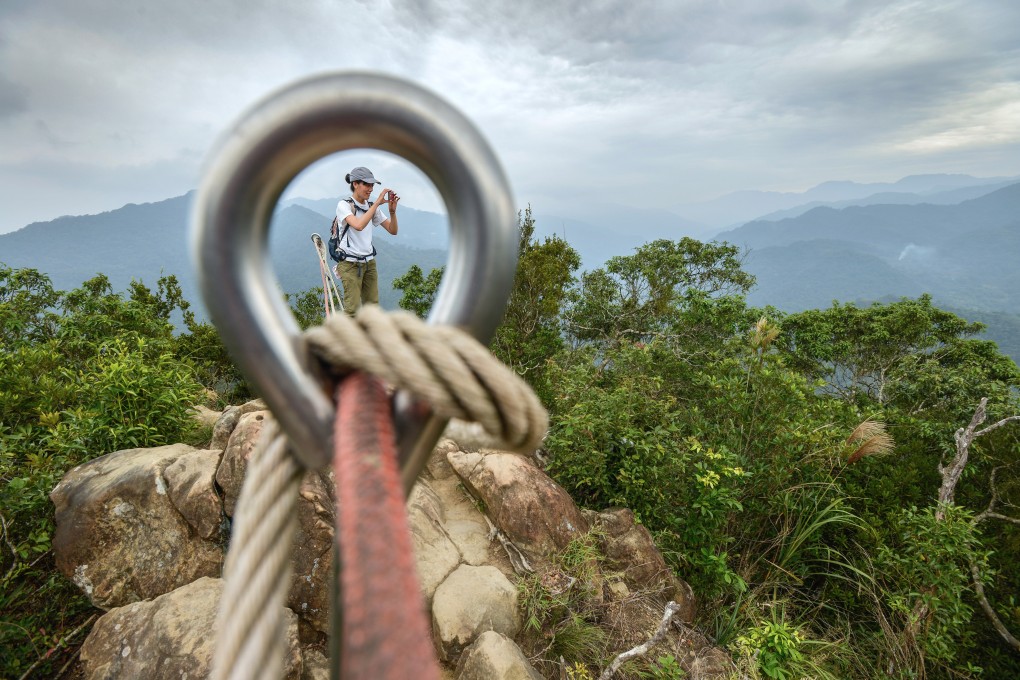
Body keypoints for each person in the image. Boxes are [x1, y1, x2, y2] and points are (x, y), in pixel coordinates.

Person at [332, 166, 399, 315]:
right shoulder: (344, 205)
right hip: (349, 264)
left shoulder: (371, 207)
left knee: (372, 309)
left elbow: (393, 230)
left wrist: (392, 212)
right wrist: (376, 203)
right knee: (353, 310)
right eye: (367, 184)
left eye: (372, 185)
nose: (370, 189)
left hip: (369, 263)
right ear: (355, 183)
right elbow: (358, 225)